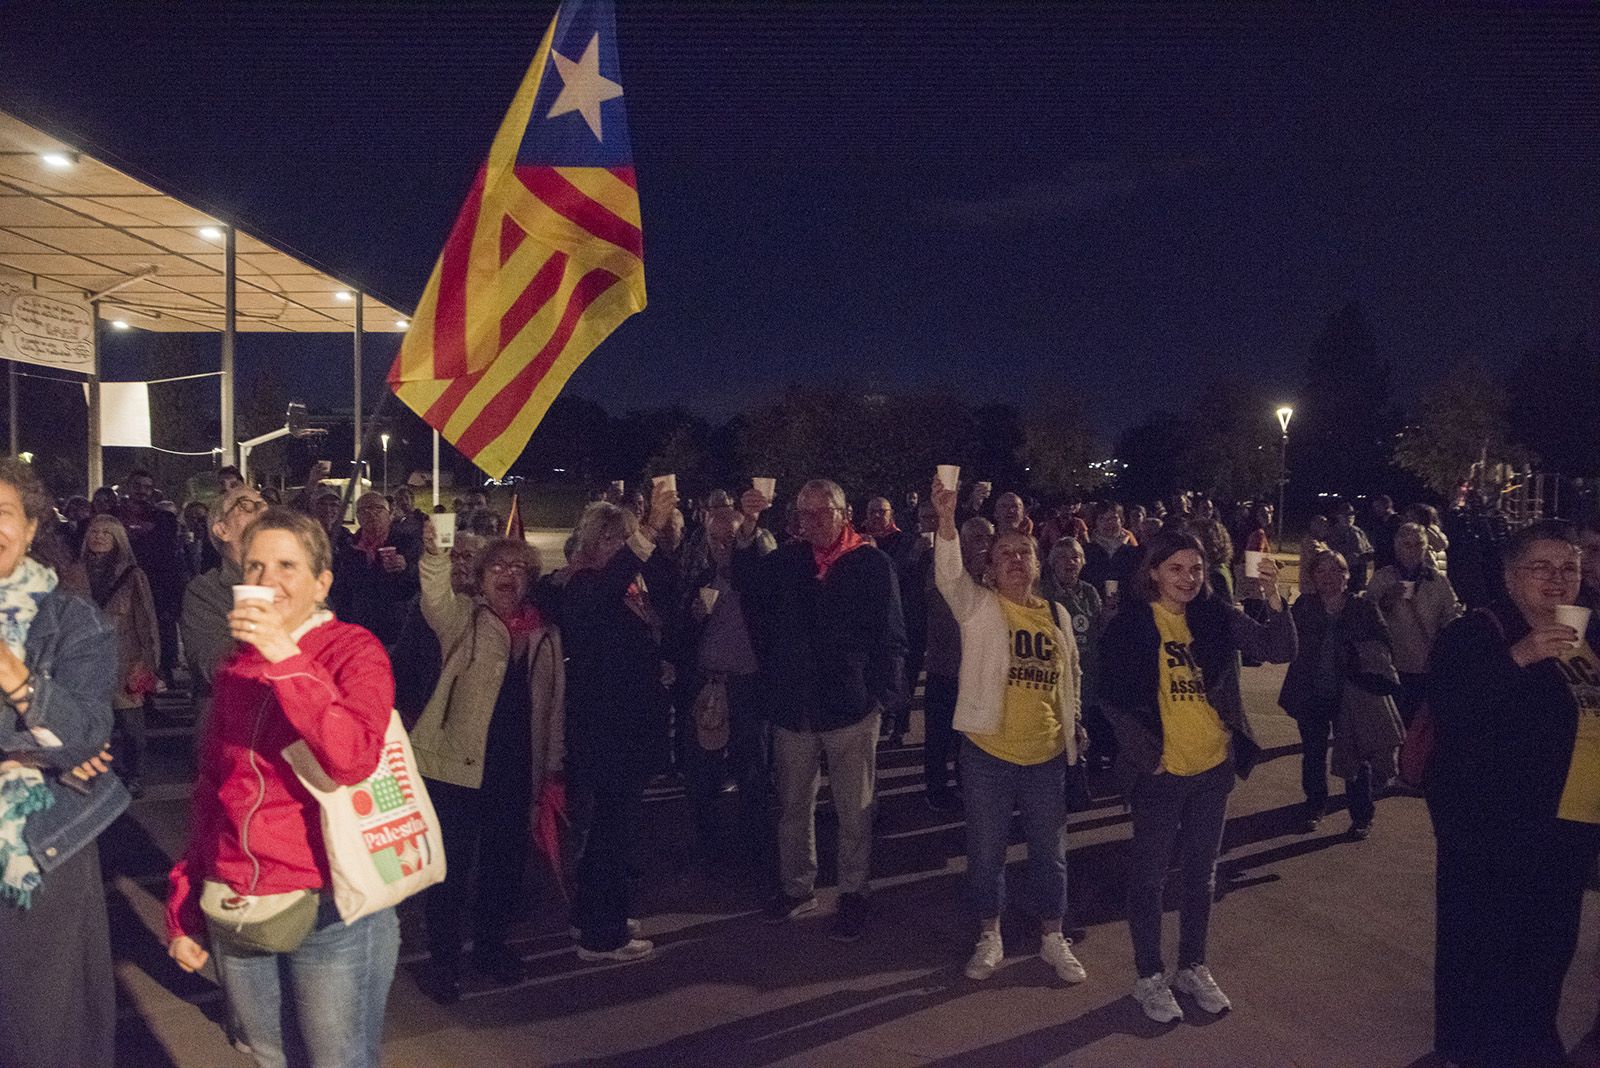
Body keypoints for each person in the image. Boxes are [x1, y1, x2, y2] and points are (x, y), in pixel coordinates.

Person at [165, 508, 397, 1068]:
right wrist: (184, 904)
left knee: (336, 1060)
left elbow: (350, 758)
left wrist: (285, 658)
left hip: (329, 904)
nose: (268, 580)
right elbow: (215, 793)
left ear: (322, 583)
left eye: (288, 565)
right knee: (270, 1057)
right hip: (241, 903)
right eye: (256, 565)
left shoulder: (354, 650)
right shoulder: (234, 669)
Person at [1099, 528, 1296, 1023]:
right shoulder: (1132, 625)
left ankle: (1192, 966)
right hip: (1162, 773)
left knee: (1200, 875)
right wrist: (1148, 756)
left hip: (1213, 767)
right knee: (1148, 878)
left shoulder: (1215, 617)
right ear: (1153, 573)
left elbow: (1278, 649)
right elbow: (1110, 697)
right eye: (1176, 569)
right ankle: (1149, 976)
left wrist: (1274, 597)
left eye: (1196, 569)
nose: (1188, 578)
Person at [1427, 519, 1600, 1068]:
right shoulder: (1476, 632)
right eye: (1541, 567)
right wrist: (1519, 657)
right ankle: (1470, 1050)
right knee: (1481, 944)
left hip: (1570, 820)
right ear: (1509, 576)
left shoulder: (1588, 632)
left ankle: (1532, 1040)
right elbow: (1454, 713)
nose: (1557, 579)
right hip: (1493, 826)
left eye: (1568, 567)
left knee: (1549, 945)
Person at [928, 475, 1088, 983]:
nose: (1016, 560)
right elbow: (949, 575)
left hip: (1045, 756)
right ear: (991, 571)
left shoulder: (1058, 615)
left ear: (1038, 565)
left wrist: (1074, 722)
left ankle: (1051, 937)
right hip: (988, 754)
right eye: (1005, 555)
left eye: (1024, 552)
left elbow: (1072, 675)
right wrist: (948, 519)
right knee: (986, 849)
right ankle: (990, 933)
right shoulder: (978, 609)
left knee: (1051, 853)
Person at [734, 478, 906, 941]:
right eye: (804, 514)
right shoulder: (787, 561)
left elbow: (891, 636)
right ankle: (797, 887)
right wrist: (749, 526)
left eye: (822, 512)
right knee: (793, 805)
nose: (812, 522)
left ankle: (853, 891)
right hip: (794, 707)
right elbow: (746, 587)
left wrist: (883, 700)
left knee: (855, 809)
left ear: (843, 512)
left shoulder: (871, 564)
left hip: (851, 707)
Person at [0, 457, 126, 1068]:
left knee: (42, 1033)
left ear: (28, 530)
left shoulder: (72, 621)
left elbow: (84, 734)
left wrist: (16, 675)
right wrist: (31, 747)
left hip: (43, 852)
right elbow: (62, 743)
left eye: (2, 513)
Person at [410, 529, 563, 1003]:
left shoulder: (544, 634)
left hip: (515, 771)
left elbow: (554, 705)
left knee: (503, 867)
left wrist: (550, 767)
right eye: (498, 567)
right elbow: (434, 597)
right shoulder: (463, 619)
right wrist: (434, 555)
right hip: (456, 767)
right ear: (479, 576)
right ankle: (443, 961)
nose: (508, 575)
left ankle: (491, 947)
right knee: (450, 870)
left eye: (519, 569)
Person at [561, 489, 680, 962]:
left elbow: (661, 600)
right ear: (589, 541)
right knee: (612, 827)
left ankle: (592, 912)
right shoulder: (583, 583)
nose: (617, 543)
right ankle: (602, 936)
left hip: (630, 722)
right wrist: (647, 530)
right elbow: (606, 597)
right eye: (608, 536)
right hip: (607, 728)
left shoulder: (628, 583)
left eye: (623, 535)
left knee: (613, 826)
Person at [673, 498, 777, 897]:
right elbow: (677, 637)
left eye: (729, 539)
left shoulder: (757, 578)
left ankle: (754, 845)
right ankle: (709, 844)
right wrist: (693, 617)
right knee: (703, 771)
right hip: (707, 685)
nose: (721, 547)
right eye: (715, 540)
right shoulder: (697, 573)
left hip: (747, 685)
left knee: (752, 767)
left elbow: (770, 621)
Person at [1278, 548, 1403, 838]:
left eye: (1335, 570)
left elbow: (1384, 643)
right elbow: (1285, 639)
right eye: (1320, 571)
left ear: (1347, 576)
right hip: (1312, 691)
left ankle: (1361, 815)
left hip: (1351, 694)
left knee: (1356, 756)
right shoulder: (1304, 606)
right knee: (1313, 754)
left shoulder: (1362, 608)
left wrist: (1358, 654)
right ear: (1312, 578)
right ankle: (1314, 807)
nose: (1328, 577)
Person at [80, 514, 160, 798]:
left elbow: (146, 621)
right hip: (86, 662)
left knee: (131, 727)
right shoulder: (75, 573)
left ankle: (134, 774)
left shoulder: (132, 575)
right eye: (95, 531)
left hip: (125, 659)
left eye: (106, 532)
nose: (99, 536)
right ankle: (98, 777)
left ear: (118, 538)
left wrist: (149, 662)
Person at [922, 516, 992, 812]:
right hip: (946, 666)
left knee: (971, 735)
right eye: (977, 538)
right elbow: (941, 606)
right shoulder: (944, 568)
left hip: (977, 669)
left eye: (987, 538)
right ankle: (936, 789)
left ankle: (969, 786)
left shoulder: (993, 573)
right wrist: (971, 576)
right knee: (939, 735)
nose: (983, 544)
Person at [180, 485, 268, 707]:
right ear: (222, 530)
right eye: (245, 505)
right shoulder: (205, 591)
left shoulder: (297, 580)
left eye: (263, 504)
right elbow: (210, 662)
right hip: (240, 718)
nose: (261, 509)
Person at [1367, 522, 1461, 727]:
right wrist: (1385, 601)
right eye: (1406, 544)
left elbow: (1451, 618)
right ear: (1396, 547)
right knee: (1393, 728)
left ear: (1425, 547)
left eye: (1418, 544)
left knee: (1420, 730)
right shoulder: (1383, 579)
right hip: (1392, 667)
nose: (1412, 550)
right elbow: (1366, 622)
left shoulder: (1437, 581)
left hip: (1427, 667)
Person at [1042, 536, 1110, 773]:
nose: (1069, 562)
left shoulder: (1090, 592)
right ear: (1052, 562)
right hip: (1057, 671)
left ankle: (1085, 768)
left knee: (1087, 718)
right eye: (1062, 557)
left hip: (1089, 668)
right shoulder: (1044, 592)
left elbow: (1097, 629)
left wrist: (1107, 617)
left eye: (1075, 557)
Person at [118, 469, 186, 684]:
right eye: (138, 486)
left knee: (156, 630)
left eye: (148, 487)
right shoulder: (114, 516)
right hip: (121, 583)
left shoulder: (164, 519)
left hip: (156, 584)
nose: (142, 492)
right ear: (128, 487)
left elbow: (167, 555)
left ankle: (160, 674)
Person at [329, 492, 421, 648]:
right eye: (364, 510)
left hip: (397, 632)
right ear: (357, 517)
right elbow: (342, 593)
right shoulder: (349, 548)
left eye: (377, 509)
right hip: (359, 632)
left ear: (390, 514)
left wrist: (406, 568)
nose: (371, 514)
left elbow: (422, 582)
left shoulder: (407, 543)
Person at [1326, 502, 1374, 593]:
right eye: (1345, 515)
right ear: (1338, 517)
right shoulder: (1333, 533)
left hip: (1358, 574)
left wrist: (1366, 555)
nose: (1349, 517)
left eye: (1351, 515)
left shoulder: (1359, 532)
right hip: (1341, 573)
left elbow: (1369, 549)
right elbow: (1329, 554)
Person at [1405, 502, 1450, 571]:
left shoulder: (1422, 537)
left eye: (1411, 517)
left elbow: (1430, 564)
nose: (1407, 521)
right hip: (1439, 578)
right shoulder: (1436, 534)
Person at [183, 499, 221, 577]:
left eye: (201, 518)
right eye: (192, 518)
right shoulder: (186, 542)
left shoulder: (219, 541)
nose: (196, 522)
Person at [1364, 495, 1403, 573]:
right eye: (1375, 507)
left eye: (1378, 506)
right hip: (1381, 564)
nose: (1376, 510)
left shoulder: (1398, 523)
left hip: (1394, 564)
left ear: (1387, 505)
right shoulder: (1380, 523)